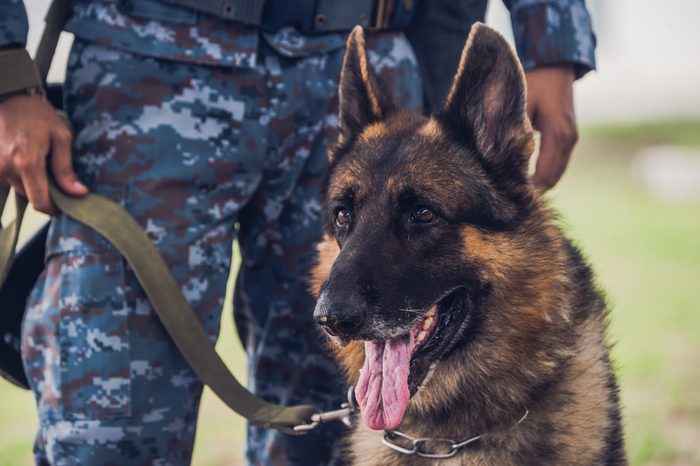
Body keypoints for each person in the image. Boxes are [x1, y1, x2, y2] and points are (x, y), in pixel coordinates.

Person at [0, 0, 595, 464]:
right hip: (153, 62)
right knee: (113, 425)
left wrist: (551, 33)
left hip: (365, 48)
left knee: (323, 435)